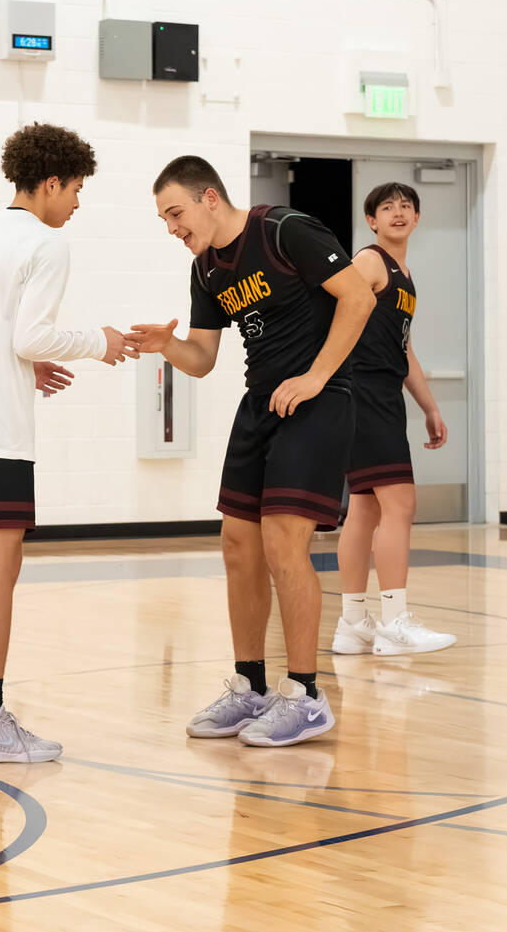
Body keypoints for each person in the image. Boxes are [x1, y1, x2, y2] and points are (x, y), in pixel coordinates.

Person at [127, 156, 375, 747]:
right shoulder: (205, 268)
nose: (172, 228)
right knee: (238, 544)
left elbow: (359, 298)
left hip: (318, 399)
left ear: (209, 197)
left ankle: (306, 696)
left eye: (176, 213)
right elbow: (203, 359)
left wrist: (315, 376)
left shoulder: (285, 230)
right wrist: (169, 345)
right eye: (164, 220)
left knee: (283, 542)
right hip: (260, 403)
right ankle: (250, 687)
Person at [0, 123, 134, 764]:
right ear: (51, 182)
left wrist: (20, 363)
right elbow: (31, 336)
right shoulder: (45, 243)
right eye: (77, 190)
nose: (77, 204)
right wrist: (99, 342)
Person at [332, 182, 455, 656]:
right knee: (400, 504)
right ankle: (394, 622)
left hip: (381, 392)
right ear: (372, 221)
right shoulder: (369, 261)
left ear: (417, 218)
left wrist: (429, 407)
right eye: (388, 207)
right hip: (363, 392)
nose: (398, 212)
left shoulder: (405, 276)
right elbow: (332, 311)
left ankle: (352, 624)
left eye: (407, 206)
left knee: (365, 508)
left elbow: (404, 350)